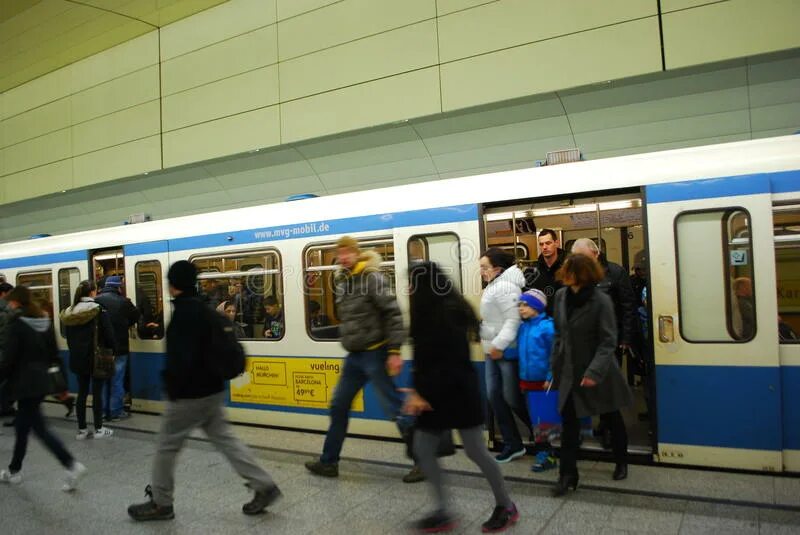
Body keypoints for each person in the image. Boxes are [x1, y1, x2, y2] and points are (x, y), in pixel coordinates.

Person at [127, 261, 281, 521]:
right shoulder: (207, 311)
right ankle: (263, 484)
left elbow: (181, 361)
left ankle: (161, 503)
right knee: (227, 441)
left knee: (166, 445)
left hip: (189, 396)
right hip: (213, 391)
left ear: (173, 285)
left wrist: (171, 387)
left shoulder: (183, 316)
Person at [305, 236, 410, 479]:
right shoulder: (343, 280)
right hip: (355, 355)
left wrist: (394, 351)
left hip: (376, 351)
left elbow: (393, 314)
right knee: (339, 405)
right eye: (340, 253)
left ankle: (423, 460)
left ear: (356, 253)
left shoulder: (371, 277)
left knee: (394, 407)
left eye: (347, 252)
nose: (343, 257)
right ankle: (329, 462)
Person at [548, 254, 633, 496]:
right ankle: (567, 475)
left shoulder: (600, 300)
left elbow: (608, 341)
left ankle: (621, 461)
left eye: (569, 271)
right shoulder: (562, 297)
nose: (565, 275)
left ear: (582, 274)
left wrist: (594, 371)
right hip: (570, 372)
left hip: (599, 370)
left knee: (611, 416)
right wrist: (554, 368)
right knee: (569, 424)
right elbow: (558, 335)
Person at [0, 286, 87, 491]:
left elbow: (8, 360)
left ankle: (71, 464)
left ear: (16, 302)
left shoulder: (16, 324)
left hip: (24, 384)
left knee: (39, 429)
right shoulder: (45, 322)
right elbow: (54, 356)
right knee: (23, 427)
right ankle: (14, 471)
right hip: (42, 383)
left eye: (11, 302)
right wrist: (63, 386)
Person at [479, 248, 530, 463]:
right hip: (493, 350)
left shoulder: (507, 287)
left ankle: (547, 435)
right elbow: (495, 321)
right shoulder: (494, 285)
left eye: (484, 267)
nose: (481, 271)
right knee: (495, 396)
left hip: (505, 350)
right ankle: (513, 443)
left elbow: (513, 321)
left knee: (512, 398)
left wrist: (498, 344)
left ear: (497, 269)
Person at [60, 280, 117, 439]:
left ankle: (82, 430)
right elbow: (109, 334)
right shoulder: (98, 310)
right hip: (96, 358)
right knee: (97, 393)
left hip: (78, 359)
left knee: (82, 393)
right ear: (92, 292)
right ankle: (99, 428)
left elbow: (69, 338)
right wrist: (114, 350)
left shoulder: (70, 312)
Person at [516, 289, 557, 473]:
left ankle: (547, 454)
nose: (521, 309)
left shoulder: (548, 327)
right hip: (527, 380)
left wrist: (550, 377)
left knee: (543, 420)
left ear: (537, 307)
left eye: (526, 305)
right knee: (535, 418)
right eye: (520, 305)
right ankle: (543, 448)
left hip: (542, 382)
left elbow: (554, 355)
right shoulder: (523, 327)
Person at [94, 275, 140, 421]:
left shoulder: (96, 301)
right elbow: (136, 315)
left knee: (103, 381)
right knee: (117, 380)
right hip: (119, 347)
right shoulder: (124, 302)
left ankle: (102, 412)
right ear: (118, 287)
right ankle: (115, 412)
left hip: (102, 347)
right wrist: (124, 323)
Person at [525, 229, 566, 316]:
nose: (544, 247)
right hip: (542, 319)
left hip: (564, 317)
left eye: (548, 243)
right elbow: (527, 295)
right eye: (541, 244)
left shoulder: (568, 266)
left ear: (556, 243)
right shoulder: (533, 270)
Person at [0, 282, 17, 424]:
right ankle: (4, 407)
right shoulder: (5, 310)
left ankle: (5, 406)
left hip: (4, 353)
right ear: (4, 293)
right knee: (6, 382)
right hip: (3, 354)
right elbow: (5, 335)